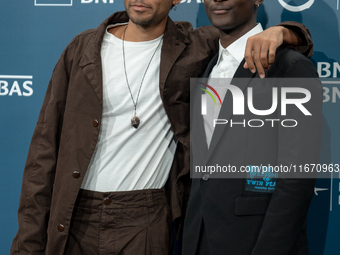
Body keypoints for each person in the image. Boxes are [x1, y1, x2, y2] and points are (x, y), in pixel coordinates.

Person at [11, 0, 314, 254]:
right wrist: (28, 242)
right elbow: (43, 153)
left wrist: (284, 32)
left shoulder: (194, 48)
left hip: (147, 219)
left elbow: (297, 178)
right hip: (77, 213)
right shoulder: (82, 50)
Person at [183, 0, 323, 255]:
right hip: (199, 239)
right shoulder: (205, 67)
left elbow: (296, 179)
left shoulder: (289, 66)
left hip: (256, 241)